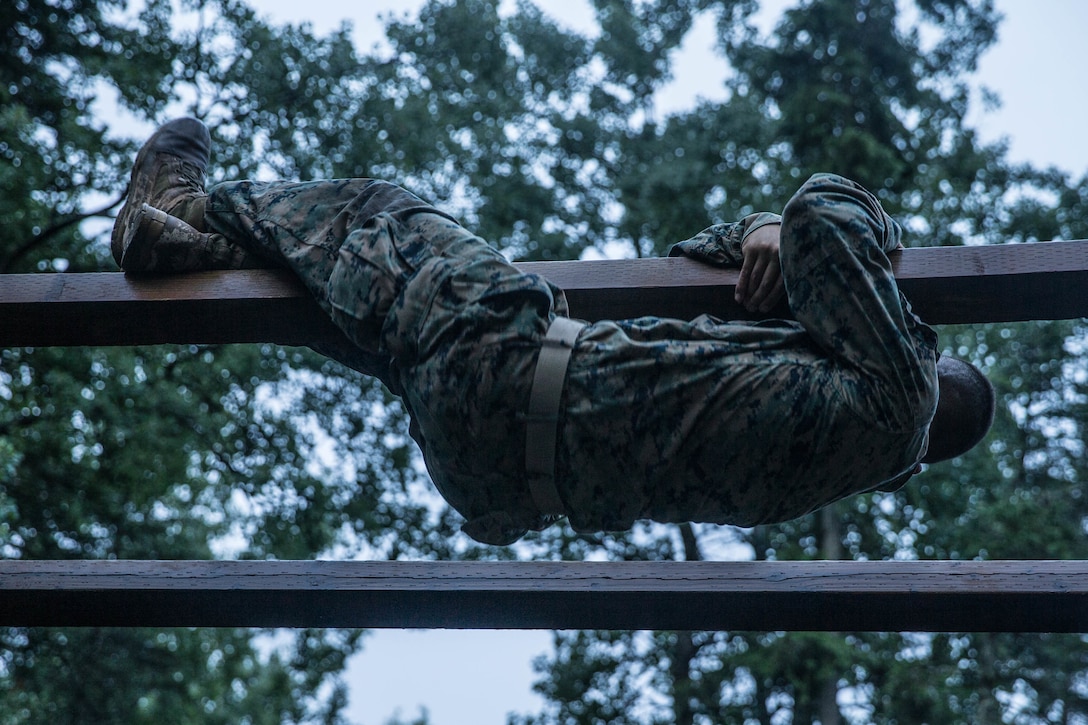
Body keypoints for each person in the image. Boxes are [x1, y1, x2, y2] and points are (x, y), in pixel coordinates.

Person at [111, 118, 995, 546]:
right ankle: (197, 240)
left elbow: (822, 218)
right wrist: (755, 249)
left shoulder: (898, 390)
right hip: (497, 482)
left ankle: (177, 209)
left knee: (379, 214)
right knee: (340, 293)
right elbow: (712, 270)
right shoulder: (827, 442)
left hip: (512, 365)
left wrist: (770, 222)